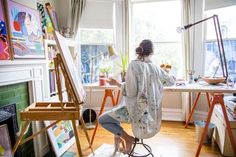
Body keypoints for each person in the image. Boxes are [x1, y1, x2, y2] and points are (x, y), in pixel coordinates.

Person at [98, 39, 176, 154]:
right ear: (152, 52)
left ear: (139, 50)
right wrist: (171, 76)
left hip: (135, 113)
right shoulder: (156, 68)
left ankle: (127, 138)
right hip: (150, 116)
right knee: (115, 113)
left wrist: (117, 84)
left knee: (102, 119)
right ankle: (123, 139)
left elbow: (131, 92)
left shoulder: (134, 65)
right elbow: (170, 81)